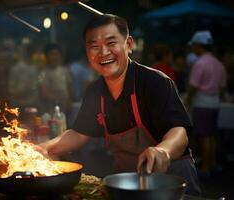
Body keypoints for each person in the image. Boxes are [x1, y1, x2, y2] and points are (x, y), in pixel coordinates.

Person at [39, 14, 200, 195]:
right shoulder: (95, 91)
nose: (104, 53)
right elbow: (79, 133)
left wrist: (163, 151)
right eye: (94, 46)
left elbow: (179, 132)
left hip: (172, 180)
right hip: (126, 182)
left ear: (129, 44)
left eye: (111, 43)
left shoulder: (155, 82)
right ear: (87, 53)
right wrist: (43, 148)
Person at [185, 30, 227, 177]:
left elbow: (193, 87)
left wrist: (187, 102)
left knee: (204, 135)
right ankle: (213, 163)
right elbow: (222, 88)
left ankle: (206, 167)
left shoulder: (200, 63)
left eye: (194, 46)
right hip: (215, 103)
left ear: (199, 45)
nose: (193, 49)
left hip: (202, 103)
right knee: (212, 135)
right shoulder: (219, 64)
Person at [38, 43, 72, 114]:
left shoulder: (65, 71)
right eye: (52, 54)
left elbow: (69, 88)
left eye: (57, 54)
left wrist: (69, 102)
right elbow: (44, 91)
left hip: (64, 109)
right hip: (48, 110)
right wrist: (57, 99)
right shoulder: (43, 72)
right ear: (47, 56)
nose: (55, 57)